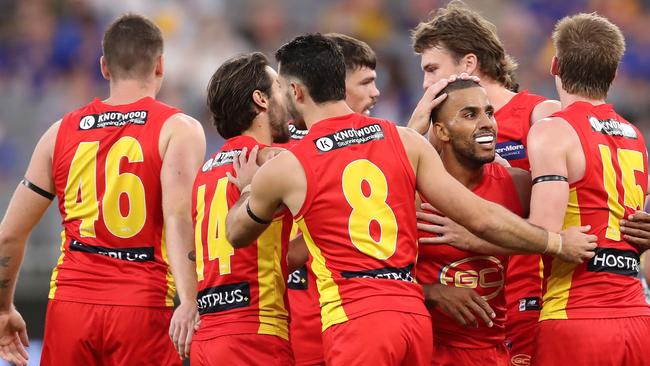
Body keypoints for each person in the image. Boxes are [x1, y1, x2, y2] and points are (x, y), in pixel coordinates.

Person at [224, 33, 596, 366]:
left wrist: (248, 188)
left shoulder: (290, 165)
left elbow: (237, 234)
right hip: (413, 318)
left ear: (296, 92)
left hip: (355, 318)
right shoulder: (404, 140)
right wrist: (556, 241)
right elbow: (479, 215)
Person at [408, 4, 650, 363]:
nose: (427, 83)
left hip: (545, 304)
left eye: (432, 69)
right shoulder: (437, 131)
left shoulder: (546, 119)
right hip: (467, 320)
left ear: (469, 65)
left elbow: (576, 217)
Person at [0, 14, 205, 366]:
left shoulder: (58, 133)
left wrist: (3, 310)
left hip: (70, 306)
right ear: (160, 65)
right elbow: (177, 216)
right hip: (142, 306)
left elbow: (8, 236)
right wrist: (189, 300)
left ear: (104, 67)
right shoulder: (177, 129)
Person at [526, 13, 650, 365]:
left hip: (577, 315)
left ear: (554, 65)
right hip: (637, 318)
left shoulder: (554, 130)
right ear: (613, 75)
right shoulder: (635, 136)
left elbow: (542, 233)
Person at [189, 52, 295, 366]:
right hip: (255, 334)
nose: (287, 97)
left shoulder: (205, 170)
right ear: (260, 99)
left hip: (207, 335)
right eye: (278, 87)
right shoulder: (274, 160)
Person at [416, 79, 530, 366]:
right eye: (470, 115)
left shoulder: (518, 185)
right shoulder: (413, 192)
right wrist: (431, 293)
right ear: (441, 131)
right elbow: (373, 277)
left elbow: (561, 237)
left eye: (489, 113)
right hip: (430, 351)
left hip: (496, 352)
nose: (487, 123)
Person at [284, 32, 380, 366]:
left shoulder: (282, 150)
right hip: (321, 330)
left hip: (342, 328)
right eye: (366, 82)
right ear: (335, 83)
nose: (375, 93)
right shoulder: (291, 158)